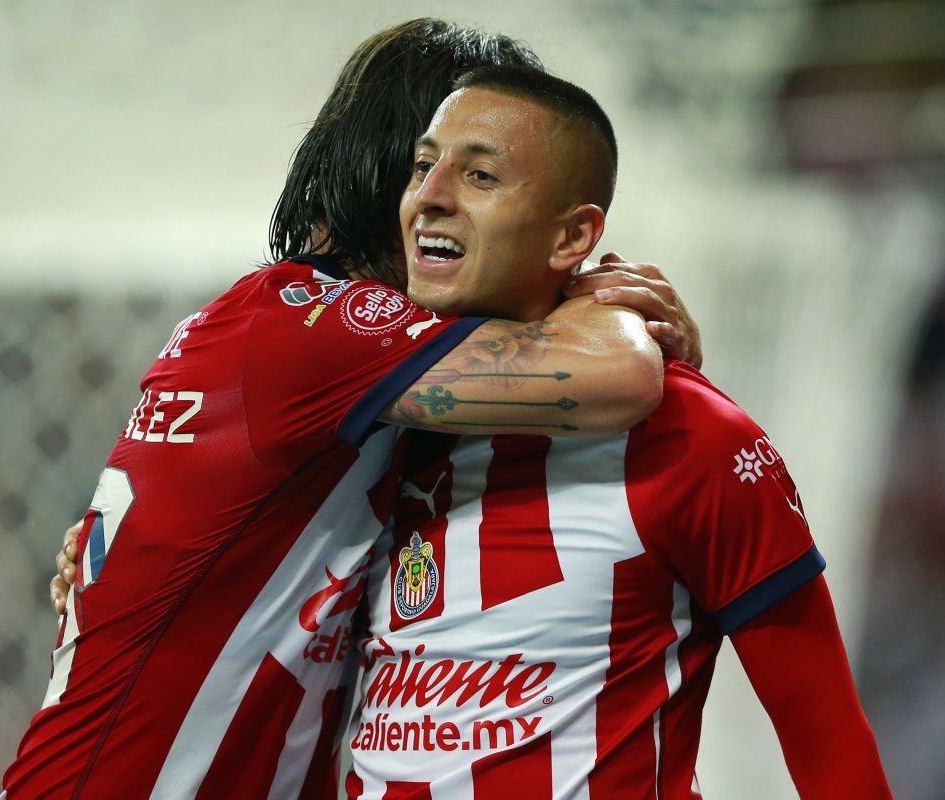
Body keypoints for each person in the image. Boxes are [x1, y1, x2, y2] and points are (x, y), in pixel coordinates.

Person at [3, 19, 698, 800]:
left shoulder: (293, 333)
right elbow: (615, 377)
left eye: (484, 175)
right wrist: (599, 300)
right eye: (440, 165)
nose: (446, 197)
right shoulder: (328, 329)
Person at [340, 66, 892, 798]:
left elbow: (831, 745)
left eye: (479, 175)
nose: (429, 197)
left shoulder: (688, 435)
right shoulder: (368, 418)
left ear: (574, 235)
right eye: (423, 165)